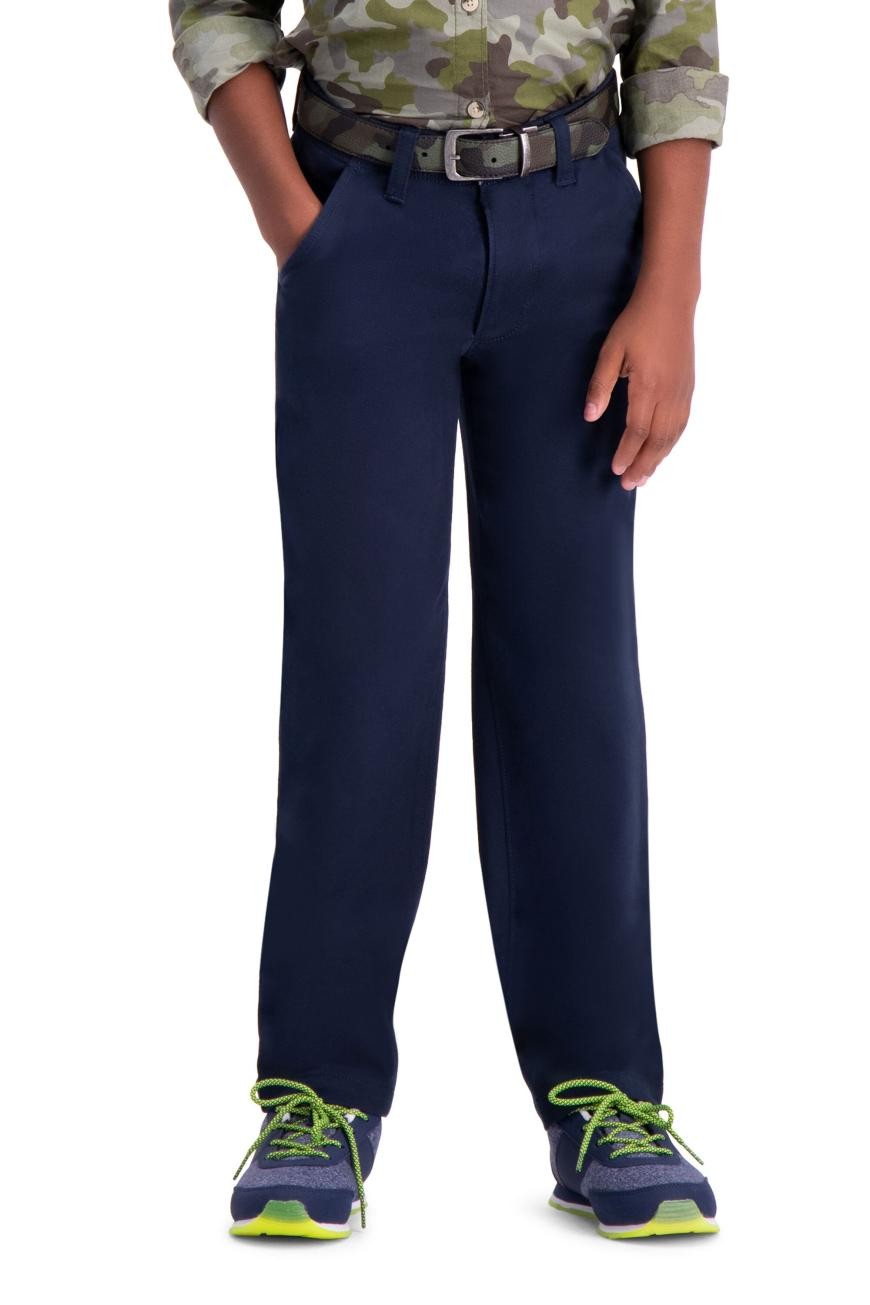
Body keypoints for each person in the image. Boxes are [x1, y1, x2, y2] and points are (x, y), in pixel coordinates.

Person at [169, 0, 728, 1242]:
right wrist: (298, 228)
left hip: (582, 231)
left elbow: (677, 38)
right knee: (358, 673)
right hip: (365, 216)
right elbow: (216, 9)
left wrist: (672, 288)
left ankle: (605, 1095)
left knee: (573, 681)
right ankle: (316, 1094)